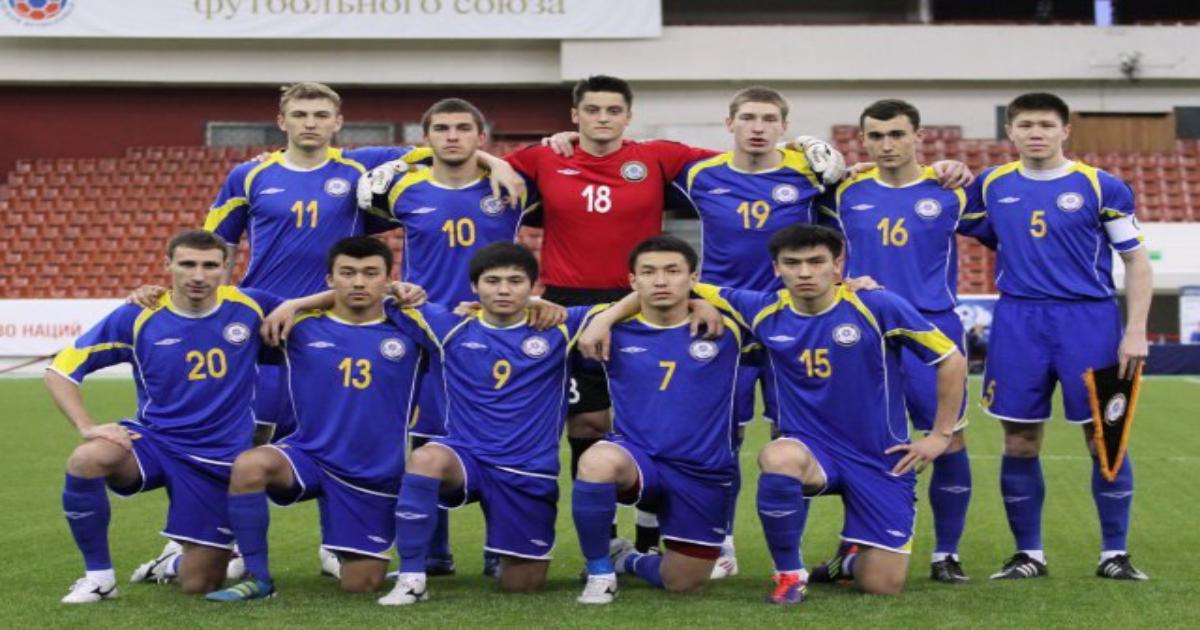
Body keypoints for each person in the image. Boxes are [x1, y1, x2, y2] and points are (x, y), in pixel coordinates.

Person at [693, 224, 967, 604]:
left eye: (816, 262)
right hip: (812, 451)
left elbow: (950, 358)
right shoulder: (763, 309)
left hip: (879, 457)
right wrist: (701, 304)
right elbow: (684, 286)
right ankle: (790, 575)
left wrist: (940, 435)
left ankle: (848, 561)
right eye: (793, 263)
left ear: (837, 265)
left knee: (882, 585)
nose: (805, 272)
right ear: (776, 268)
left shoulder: (877, 305)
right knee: (778, 456)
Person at [970, 93, 1153, 581]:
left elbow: (1136, 260)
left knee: (1104, 439)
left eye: (1046, 125)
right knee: (1019, 440)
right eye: (1026, 124)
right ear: (1010, 131)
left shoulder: (1101, 185)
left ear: (1065, 130)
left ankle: (1114, 554)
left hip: (1089, 321)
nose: (1036, 133)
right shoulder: (990, 184)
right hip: (1018, 321)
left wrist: (1135, 331)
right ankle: (1029, 554)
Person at [48, 230, 280, 603]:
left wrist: (292, 308)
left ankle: (170, 564)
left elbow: (332, 311)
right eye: (187, 264)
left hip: (218, 459)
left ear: (226, 267)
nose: (198, 275)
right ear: (168, 264)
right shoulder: (139, 314)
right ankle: (99, 579)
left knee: (199, 583)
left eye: (210, 265)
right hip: (155, 441)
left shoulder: (253, 306)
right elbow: (61, 370)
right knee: (87, 458)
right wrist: (87, 426)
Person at [813, 99, 990, 582]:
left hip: (932, 329)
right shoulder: (845, 191)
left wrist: (959, 169)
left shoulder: (950, 191)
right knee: (862, 442)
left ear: (918, 136)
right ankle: (852, 550)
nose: (886, 144)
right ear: (862, 141)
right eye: (875, 136)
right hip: (862, 331)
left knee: (949, 438)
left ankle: (946, 554)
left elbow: (1006, 227)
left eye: (896, 134)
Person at [362, 97, 540, 576]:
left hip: (495, 329)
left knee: (498, 438)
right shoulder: (402, 189)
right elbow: (342, 170)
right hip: (425, 329)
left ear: (481, 136)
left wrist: (497, 164)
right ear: (427, 138)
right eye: (441, 128)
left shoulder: (512, 187)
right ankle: (434, 553)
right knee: (426, 435)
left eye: (464, 128)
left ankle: (499, 549)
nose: (453, 136)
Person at [199, 237, 427, 601]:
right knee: (250, 465)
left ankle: (353, 553)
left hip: (370, 473)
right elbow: (212, 304)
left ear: (388, 280)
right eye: (347, 273)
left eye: (370, 273)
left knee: (361, 585)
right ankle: (258, 578)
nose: (358, 282)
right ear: (330, 279)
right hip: (308, 454)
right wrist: (293, 304)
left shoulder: (413, 330)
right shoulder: (298, 326)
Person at [378, 242, 601, 605]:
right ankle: (411, 577)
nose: (503, 290)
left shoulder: (562, 327)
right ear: (474, 287)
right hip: (465, 458)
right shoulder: (449, 327)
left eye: (515, 281)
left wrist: (540, 305)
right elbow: (366, 292)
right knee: (426, 458)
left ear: (534, 286)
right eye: (492, 281)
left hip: (527, 471)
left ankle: (625, 561)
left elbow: (630, 305)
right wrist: (397, 287)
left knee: (523, 586)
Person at [669, 86, 826, 578]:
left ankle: (790, 556)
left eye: (769, 119)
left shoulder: (810, 173)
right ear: (729, 123)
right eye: (749, 118)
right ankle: (722, 545)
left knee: (794, 439)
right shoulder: (700, 174)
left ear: (784, 126)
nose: (758, 127)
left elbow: (860, 182)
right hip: (723, 321)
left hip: (790, 322)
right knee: (722, 440)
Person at [570, 235, 742, 604]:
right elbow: (529, 310)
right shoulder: (607, 324)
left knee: (684, 582)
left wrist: (856, 285)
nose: (660, 281)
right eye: (648, 272)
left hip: (701, 470)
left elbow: (795, 306)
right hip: (639, 459)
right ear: (633, 281)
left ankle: (626, 559)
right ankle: (600, 573)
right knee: (597, 460)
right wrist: (605, 317)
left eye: (672, 271)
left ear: (693, 278)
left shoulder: (730, 328)